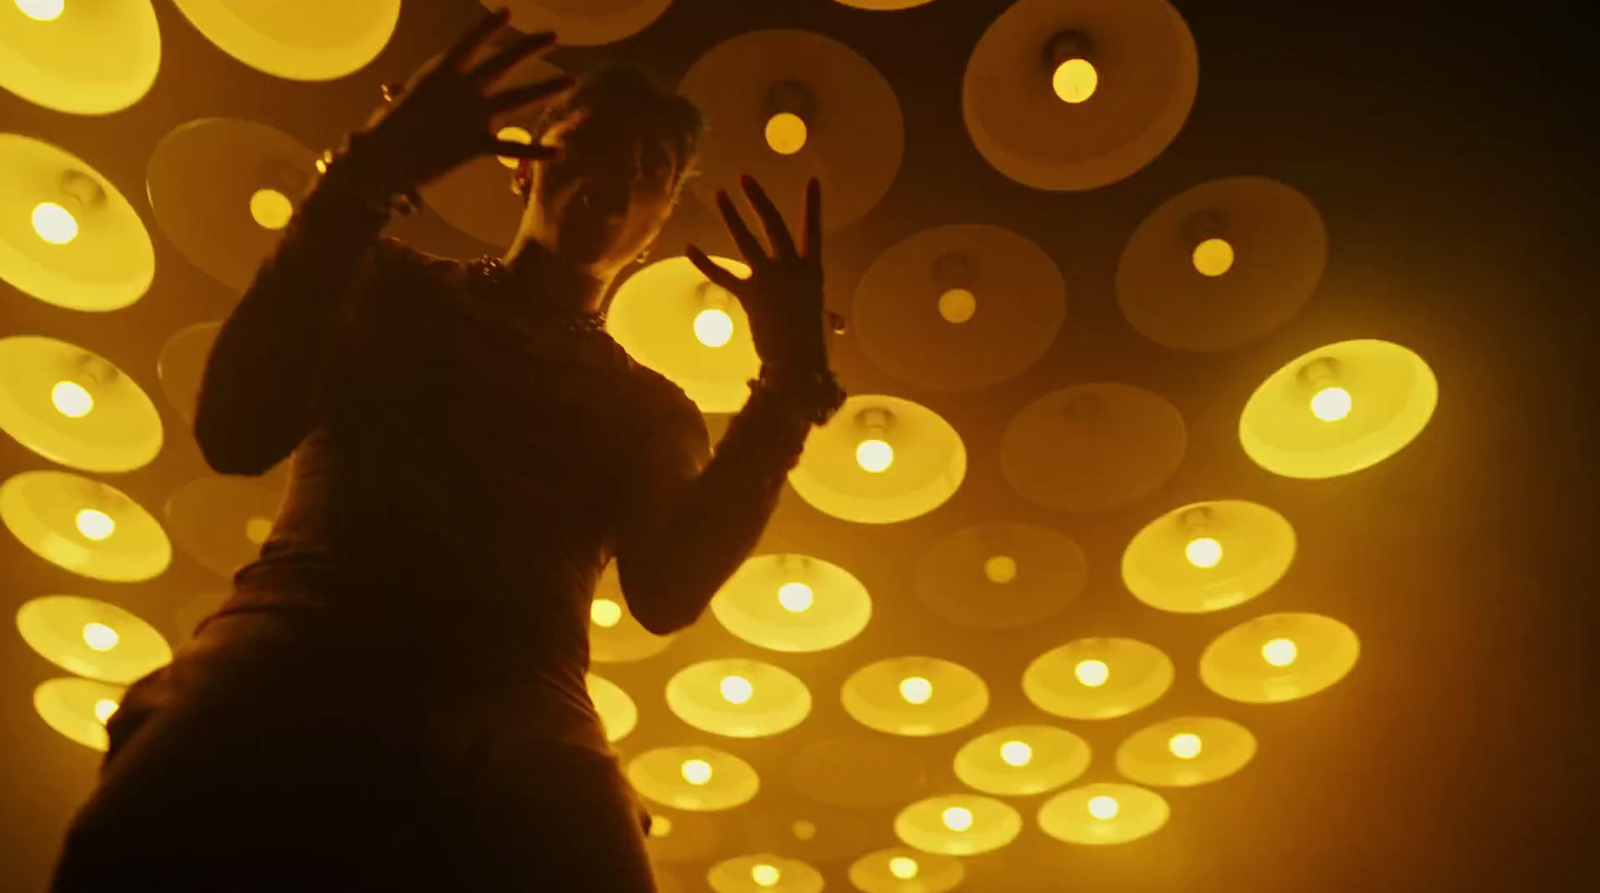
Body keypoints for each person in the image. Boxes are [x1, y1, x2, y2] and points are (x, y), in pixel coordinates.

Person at [49, 9, 845, 892]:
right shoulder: (388, 284)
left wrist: (783, 397)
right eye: (589, 142)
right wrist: (364, 180)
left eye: (650, 168)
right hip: (306, 638)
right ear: (523, 163)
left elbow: (667, 590)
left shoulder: (650, 406)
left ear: (659, 223)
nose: (613, 178)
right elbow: (236, 430)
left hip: (515, 701)